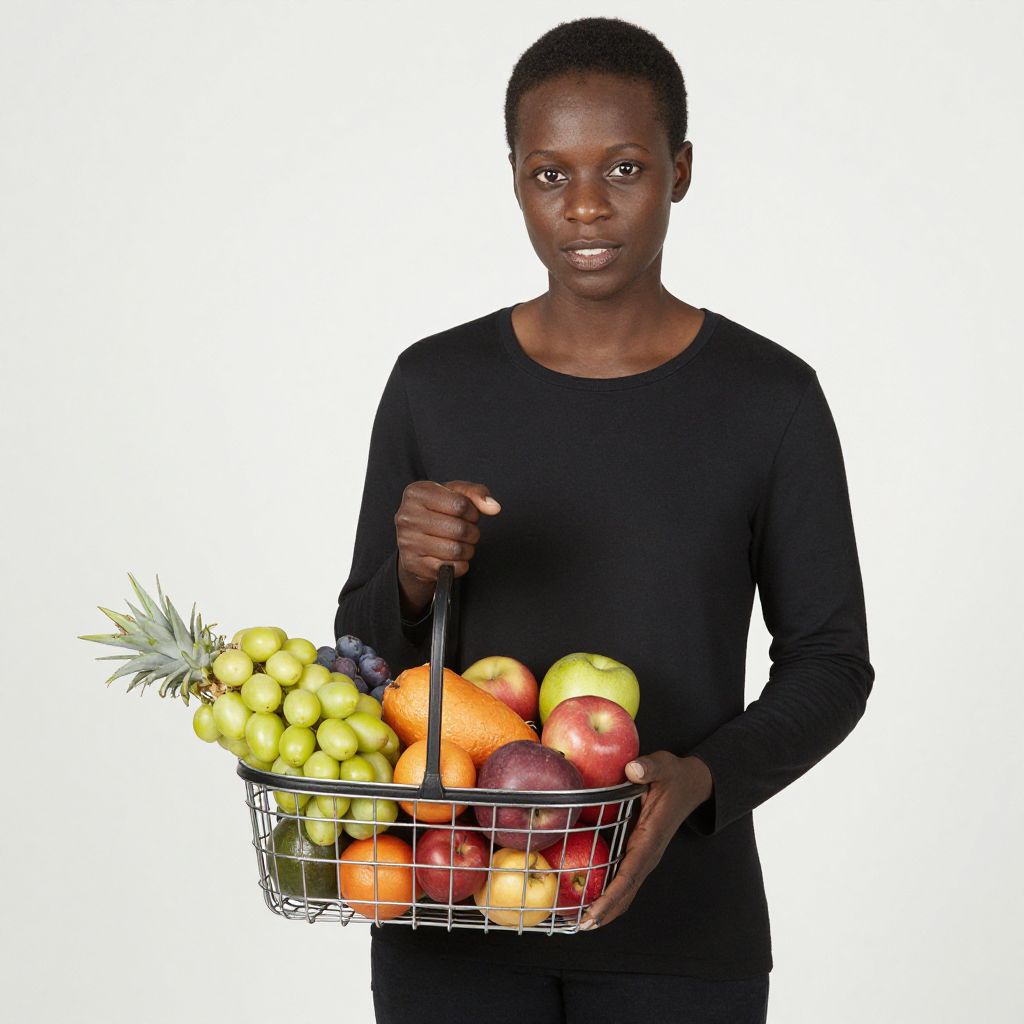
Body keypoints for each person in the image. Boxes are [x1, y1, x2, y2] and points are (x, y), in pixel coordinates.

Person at [335, 15, 874, 1024]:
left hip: (683, 931)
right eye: (550, 174)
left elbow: (833, 663)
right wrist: (406, 577)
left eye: (623, 168)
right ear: (515, 180)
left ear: (680, 170)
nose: (584, 205)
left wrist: (701, 780)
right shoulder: (434, 385)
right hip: (451, 908)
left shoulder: (771, 399)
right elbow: (368, 659)